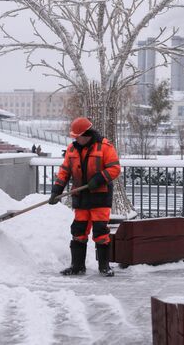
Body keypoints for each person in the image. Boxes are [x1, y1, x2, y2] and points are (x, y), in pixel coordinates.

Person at [49, 117, 121, 277]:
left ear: (86, 134)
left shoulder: (104, 147)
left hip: (100, 197)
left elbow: (115, 168)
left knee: (100, 232)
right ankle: (77, 266)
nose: (74, 139)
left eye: (77, 136)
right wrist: (57, 189)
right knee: (78, 231)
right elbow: (65, 171)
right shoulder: (72, 149)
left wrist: (99, 178)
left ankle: (104, 267)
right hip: (80, 197)